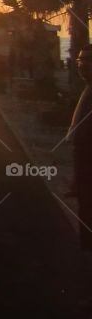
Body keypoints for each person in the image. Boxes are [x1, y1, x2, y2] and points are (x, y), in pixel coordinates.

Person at [64, 46, 92, 251]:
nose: (82, 65)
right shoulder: (87, 88)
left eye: (87, 61)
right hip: (82, 153)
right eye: (80, 61)